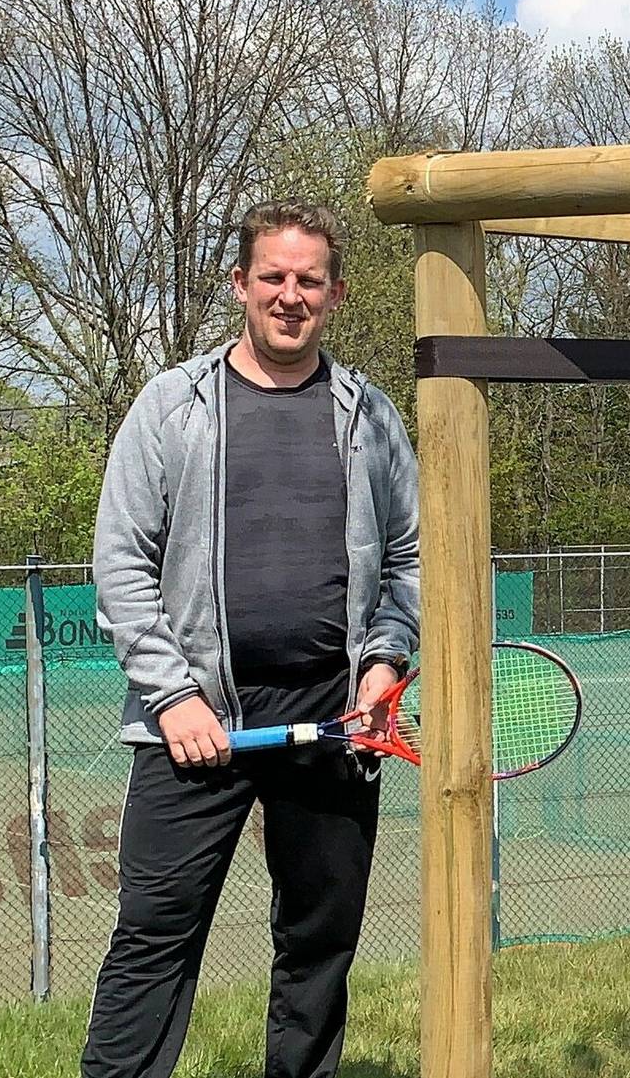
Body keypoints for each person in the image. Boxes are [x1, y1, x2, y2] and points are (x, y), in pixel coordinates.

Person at [81, 199, 420, 1078]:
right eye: (273, 276)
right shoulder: (173, 405)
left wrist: (384, 661)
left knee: (320, 942)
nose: (290, 295)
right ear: (241, 284)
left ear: (335, 294)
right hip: (196, 723)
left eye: (309, 280)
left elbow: (410, 558)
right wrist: (174, 696)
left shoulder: (371, 417)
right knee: (154, 934)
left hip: (334, 720)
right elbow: (121, 562)